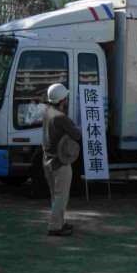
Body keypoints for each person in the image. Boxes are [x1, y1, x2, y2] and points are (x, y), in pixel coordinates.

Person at [42, 83, 81, 237]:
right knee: (61, 196)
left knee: (55, 194)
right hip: (60, 162)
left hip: (48, 160)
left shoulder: (47, 113)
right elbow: (76, 134)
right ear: (63, 100)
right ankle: (55, 226)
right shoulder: (61, 117)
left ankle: (60, 222)